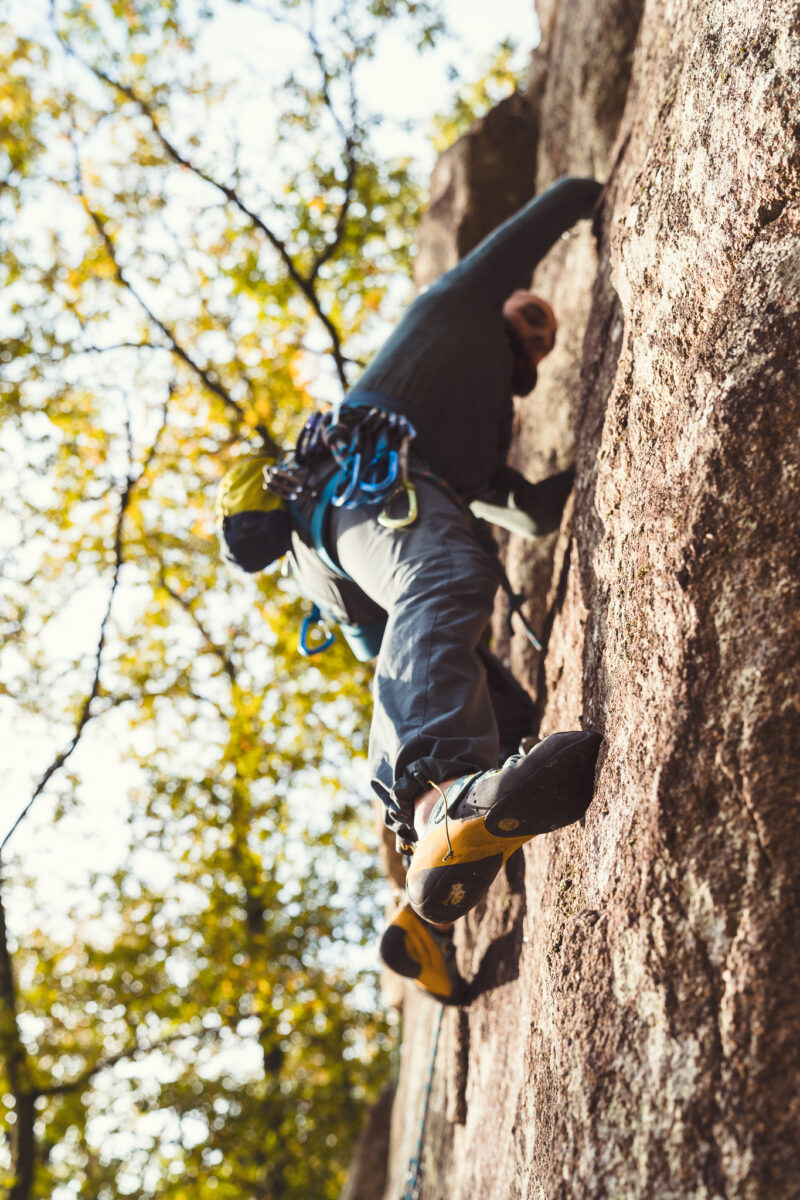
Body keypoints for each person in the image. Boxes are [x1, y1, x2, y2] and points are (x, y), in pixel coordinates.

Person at [216, 177, 604, 1005]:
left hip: (352, 558)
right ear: (505, 305)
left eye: (545, 335)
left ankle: (420, 927)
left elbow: (529, 516)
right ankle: (436, 805)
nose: (536, 333)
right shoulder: (457, 309)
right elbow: (543, 215)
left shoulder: (487, 431)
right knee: (449, 572)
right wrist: (596, 195)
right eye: (532, 315)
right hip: (362, 485)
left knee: (512, 727)